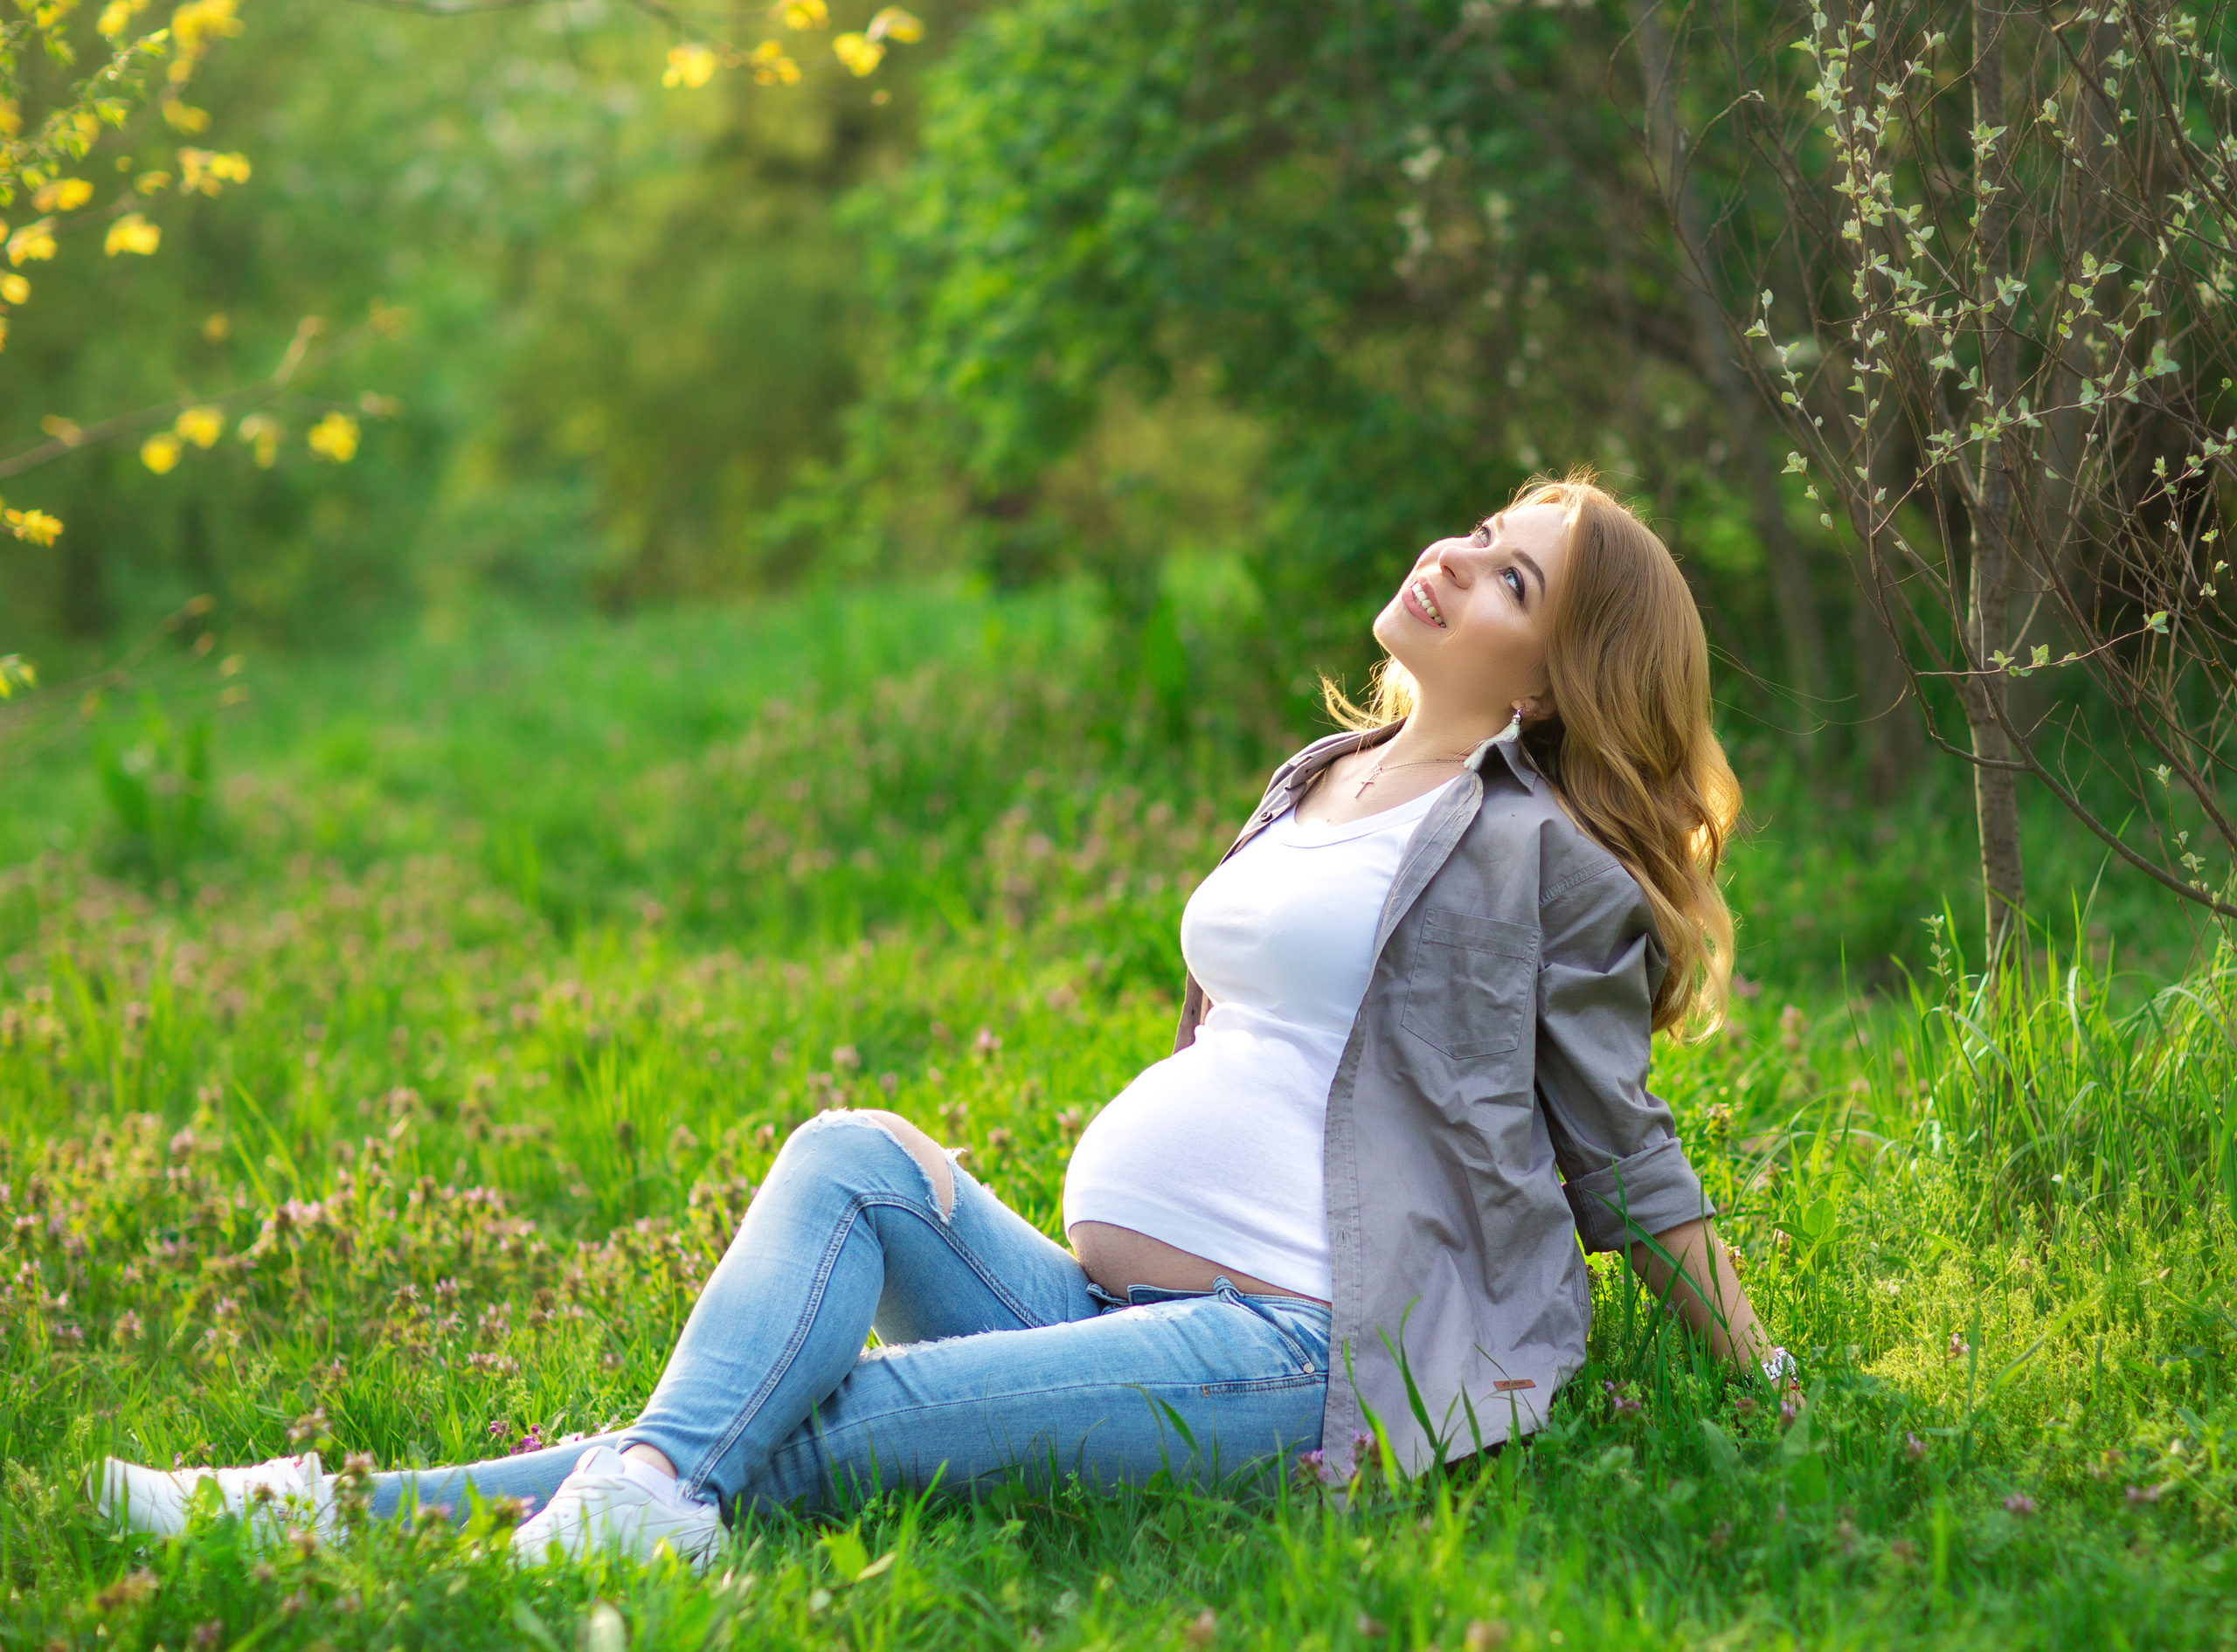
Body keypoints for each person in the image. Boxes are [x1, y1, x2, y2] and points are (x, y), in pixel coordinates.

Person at [97, 473, 1783, 1570]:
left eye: (1507, 580)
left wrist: (1765, 1387)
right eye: (1479, 529)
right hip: (1111, 1298)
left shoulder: (1540, 859)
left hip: (1299, 1352)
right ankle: (597, 1507)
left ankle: (322, 1521)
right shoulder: (1324, 774)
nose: (1451, 556)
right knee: (851, 1156)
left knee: (795, 1433)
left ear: (1554, 681)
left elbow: (1620, 1149)